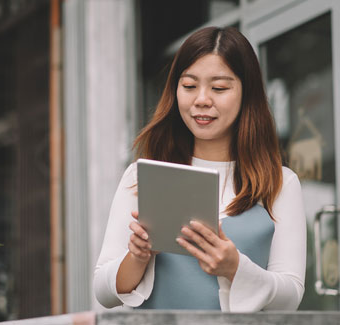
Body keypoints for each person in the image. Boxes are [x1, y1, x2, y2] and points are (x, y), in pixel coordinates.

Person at [93, 26, 306, 312]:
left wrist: (235, 267)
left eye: (219, 88)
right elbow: (102, 291)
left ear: (247, 93)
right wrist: (138, 257)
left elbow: (291, 296)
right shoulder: (142, 177)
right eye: (189, 86)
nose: (202, 99)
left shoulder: (280, 183)